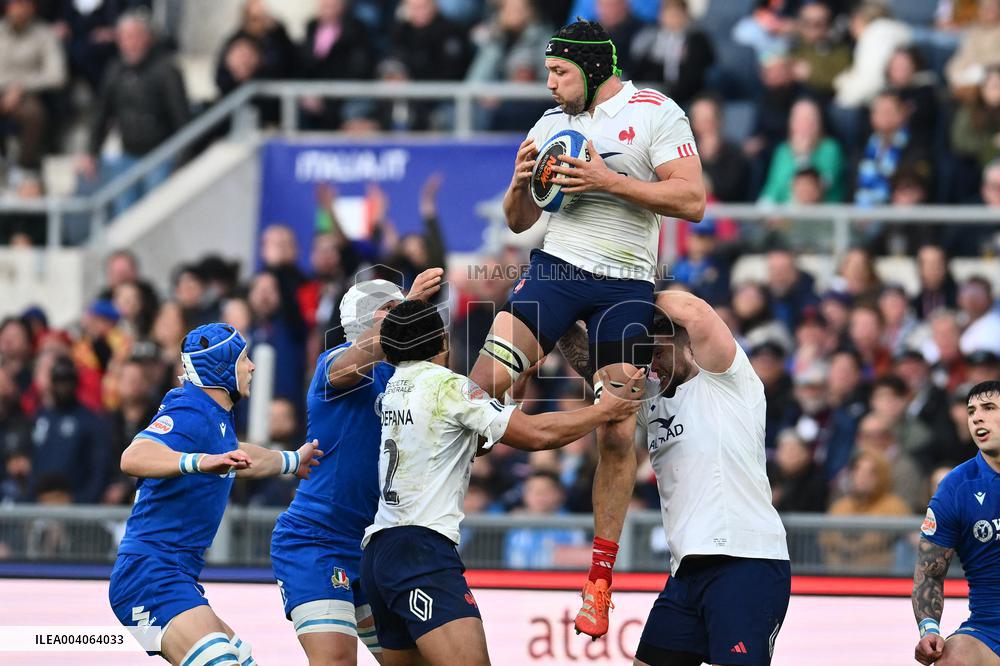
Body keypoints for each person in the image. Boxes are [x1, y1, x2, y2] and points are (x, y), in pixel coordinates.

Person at [469, 17, 706, 638]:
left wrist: (608, 180)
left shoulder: (655, 112)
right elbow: (519, 221)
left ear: (593, 67)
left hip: (625, 282)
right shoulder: (551, 125)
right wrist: (520, 185)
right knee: (480, 390)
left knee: (620, 428)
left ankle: (599, 581)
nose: (548, 83)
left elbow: (693, 201)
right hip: (555, 270)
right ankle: (433, 524)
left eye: (559, 72)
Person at [360, 299, 642, 665]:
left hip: (379, 552)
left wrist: (517, 386)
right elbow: (536, 436)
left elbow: (470, 444)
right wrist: (605, 410)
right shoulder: (447, 387)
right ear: (444, 341)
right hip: (421, 551)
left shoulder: (395, 388)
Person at [560, 289, 790, 664]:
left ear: (686, 344)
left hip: (745, 561)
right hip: (685, 572)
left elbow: (695, 311)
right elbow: (593, 365)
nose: (650, 365)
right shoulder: (652, 399)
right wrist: (562, 313)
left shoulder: (727, 380)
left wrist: (618, 290)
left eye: (656, 351)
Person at [108, 323, 322, 666]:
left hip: (174, 577)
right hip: (146, 578)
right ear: (221, 368)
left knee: (240, 660)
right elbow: (133, 456)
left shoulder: (213, 417)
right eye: (244, 359)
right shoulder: (188, 411)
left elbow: (236, 454)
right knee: (220, 662)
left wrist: (291, 460)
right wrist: (200, 462)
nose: (252, 366)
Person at [270, 270, 442, 666]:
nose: (403, 313)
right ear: (368, 319)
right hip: (317, 539)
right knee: (336, 661)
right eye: (392, 308)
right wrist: (412, 307)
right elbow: (353, 364)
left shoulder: (401, 378)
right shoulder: (334, 364)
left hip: (372, 544)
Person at [912, 380, 1000, 666]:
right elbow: (929, 574)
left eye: (988, 408)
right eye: (971, 411)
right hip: (989, 632)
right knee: (954, 656)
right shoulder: (956, 487)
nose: (977, 417)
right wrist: (929, 630)